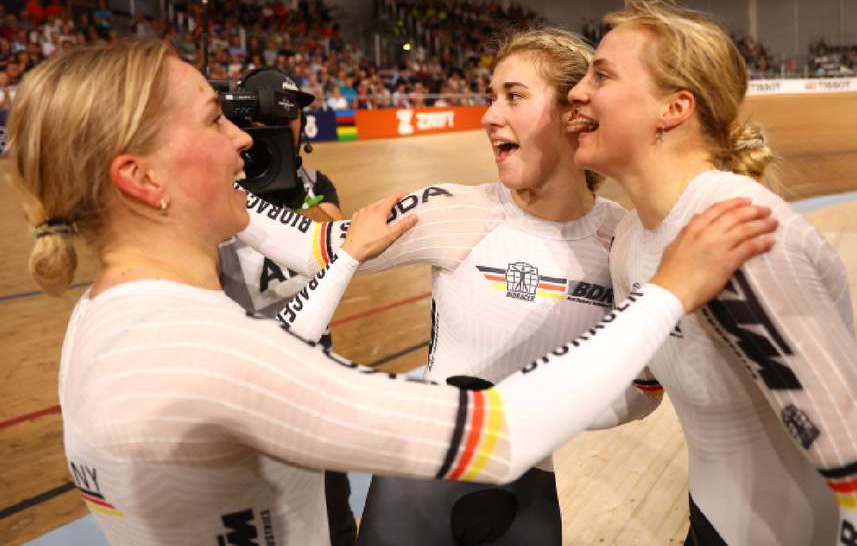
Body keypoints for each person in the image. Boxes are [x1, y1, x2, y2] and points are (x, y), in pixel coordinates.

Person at [9, 39, 775, 545]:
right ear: (139, 179)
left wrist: (337, 253)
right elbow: (500, 431)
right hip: (455, 467)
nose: (247, 138)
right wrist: (669, 292)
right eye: (216, 119)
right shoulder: (217, 355)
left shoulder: (104, 322)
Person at [237, 28, 735, 545]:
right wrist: (214, 179)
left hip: (527, 500)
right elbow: (311, 246)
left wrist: (525, 415)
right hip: (417, 488)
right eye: (490, 95)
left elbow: (642, 395)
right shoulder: (454, 210)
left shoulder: (624, 241)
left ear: (575, 112)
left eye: (513, 96)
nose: (490, 115)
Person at [566, 0, 857, 545]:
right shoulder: (633, 239)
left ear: (673, 109)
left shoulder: (739, 234)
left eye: (601, 74)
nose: (578, 92)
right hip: (711, 521)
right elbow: (640, 390)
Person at [216, 67, 356, 546]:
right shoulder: (222, 185)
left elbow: (331, 234)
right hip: (248, 373)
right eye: (273, 112)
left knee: (334, 508)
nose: (285, 123)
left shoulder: (316, 179)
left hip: (315, 363)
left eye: (292, 113)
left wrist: (285, 190)